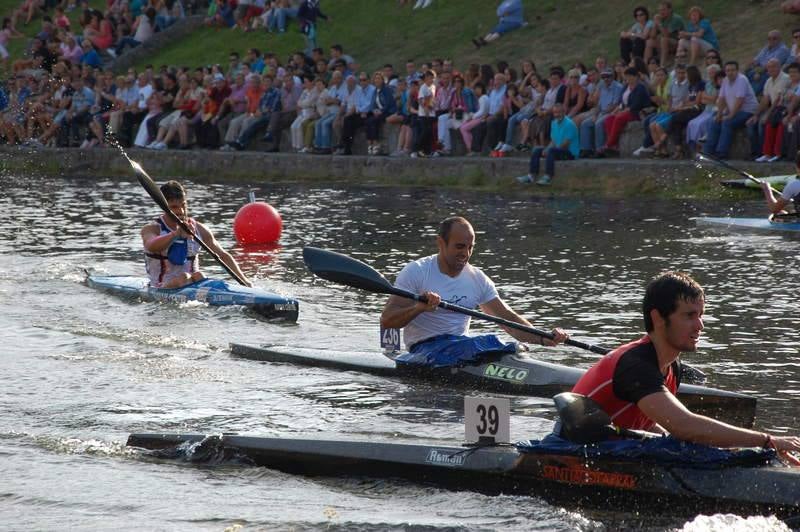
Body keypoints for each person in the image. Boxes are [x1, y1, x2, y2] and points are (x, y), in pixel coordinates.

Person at [571, 271, 800, 457]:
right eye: (689, 315)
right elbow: (684, 426)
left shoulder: (672, 366)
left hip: (610, 454)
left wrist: (734, 450)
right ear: (658, 318)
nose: (700, 325)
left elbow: (654, 427)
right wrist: (766, 441)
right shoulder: (636, 365)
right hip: (570, 456)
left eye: (701, 314)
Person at [379, 216, 569, 367]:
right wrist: (418, 308)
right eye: (460, 246)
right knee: (488, 342)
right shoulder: (416, 272)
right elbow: (387, 320)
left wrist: (545, 337)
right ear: (440, 243)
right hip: (423, 351)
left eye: (470, 247)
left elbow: (507, 320)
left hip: (461, 350)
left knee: (505, 347)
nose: (466, 254)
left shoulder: (478, 279)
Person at [141, 180, 251, 289]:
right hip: (160, 287)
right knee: (184, 277)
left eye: (184, 205)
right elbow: (151, 245)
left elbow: (223, 256)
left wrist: (245, 281)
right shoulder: (152, 229)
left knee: (199, 275)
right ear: (164, 207)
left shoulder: (200, 229)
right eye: (174, 207)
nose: (181, 211)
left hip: (194, 283)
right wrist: (175, 234)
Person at [703, 61, 759, 160]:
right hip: (736, 111)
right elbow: (721, 99)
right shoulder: (725, 81)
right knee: (714, 121)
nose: (730, 72)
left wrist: (731, 115)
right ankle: (708, 152)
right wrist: (719, 115)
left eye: (733, 70)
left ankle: (721, 153)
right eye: (728, 70)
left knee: (727, 122)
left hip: (748, 111)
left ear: (737, 71)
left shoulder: (742, 79)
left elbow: (740, 100)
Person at [516, 102, 578, 185]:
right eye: (555, 112)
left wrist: (549, 150)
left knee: (551, 151)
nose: (557, 114)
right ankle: (531, 176)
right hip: (557, 150)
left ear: (564, 112)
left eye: (559, 112)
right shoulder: (554, 123)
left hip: (570, 152)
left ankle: (548, 177)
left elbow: (566, 144)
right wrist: (546, 149)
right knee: (537, 149)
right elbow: (553, 141)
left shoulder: (569, 124)